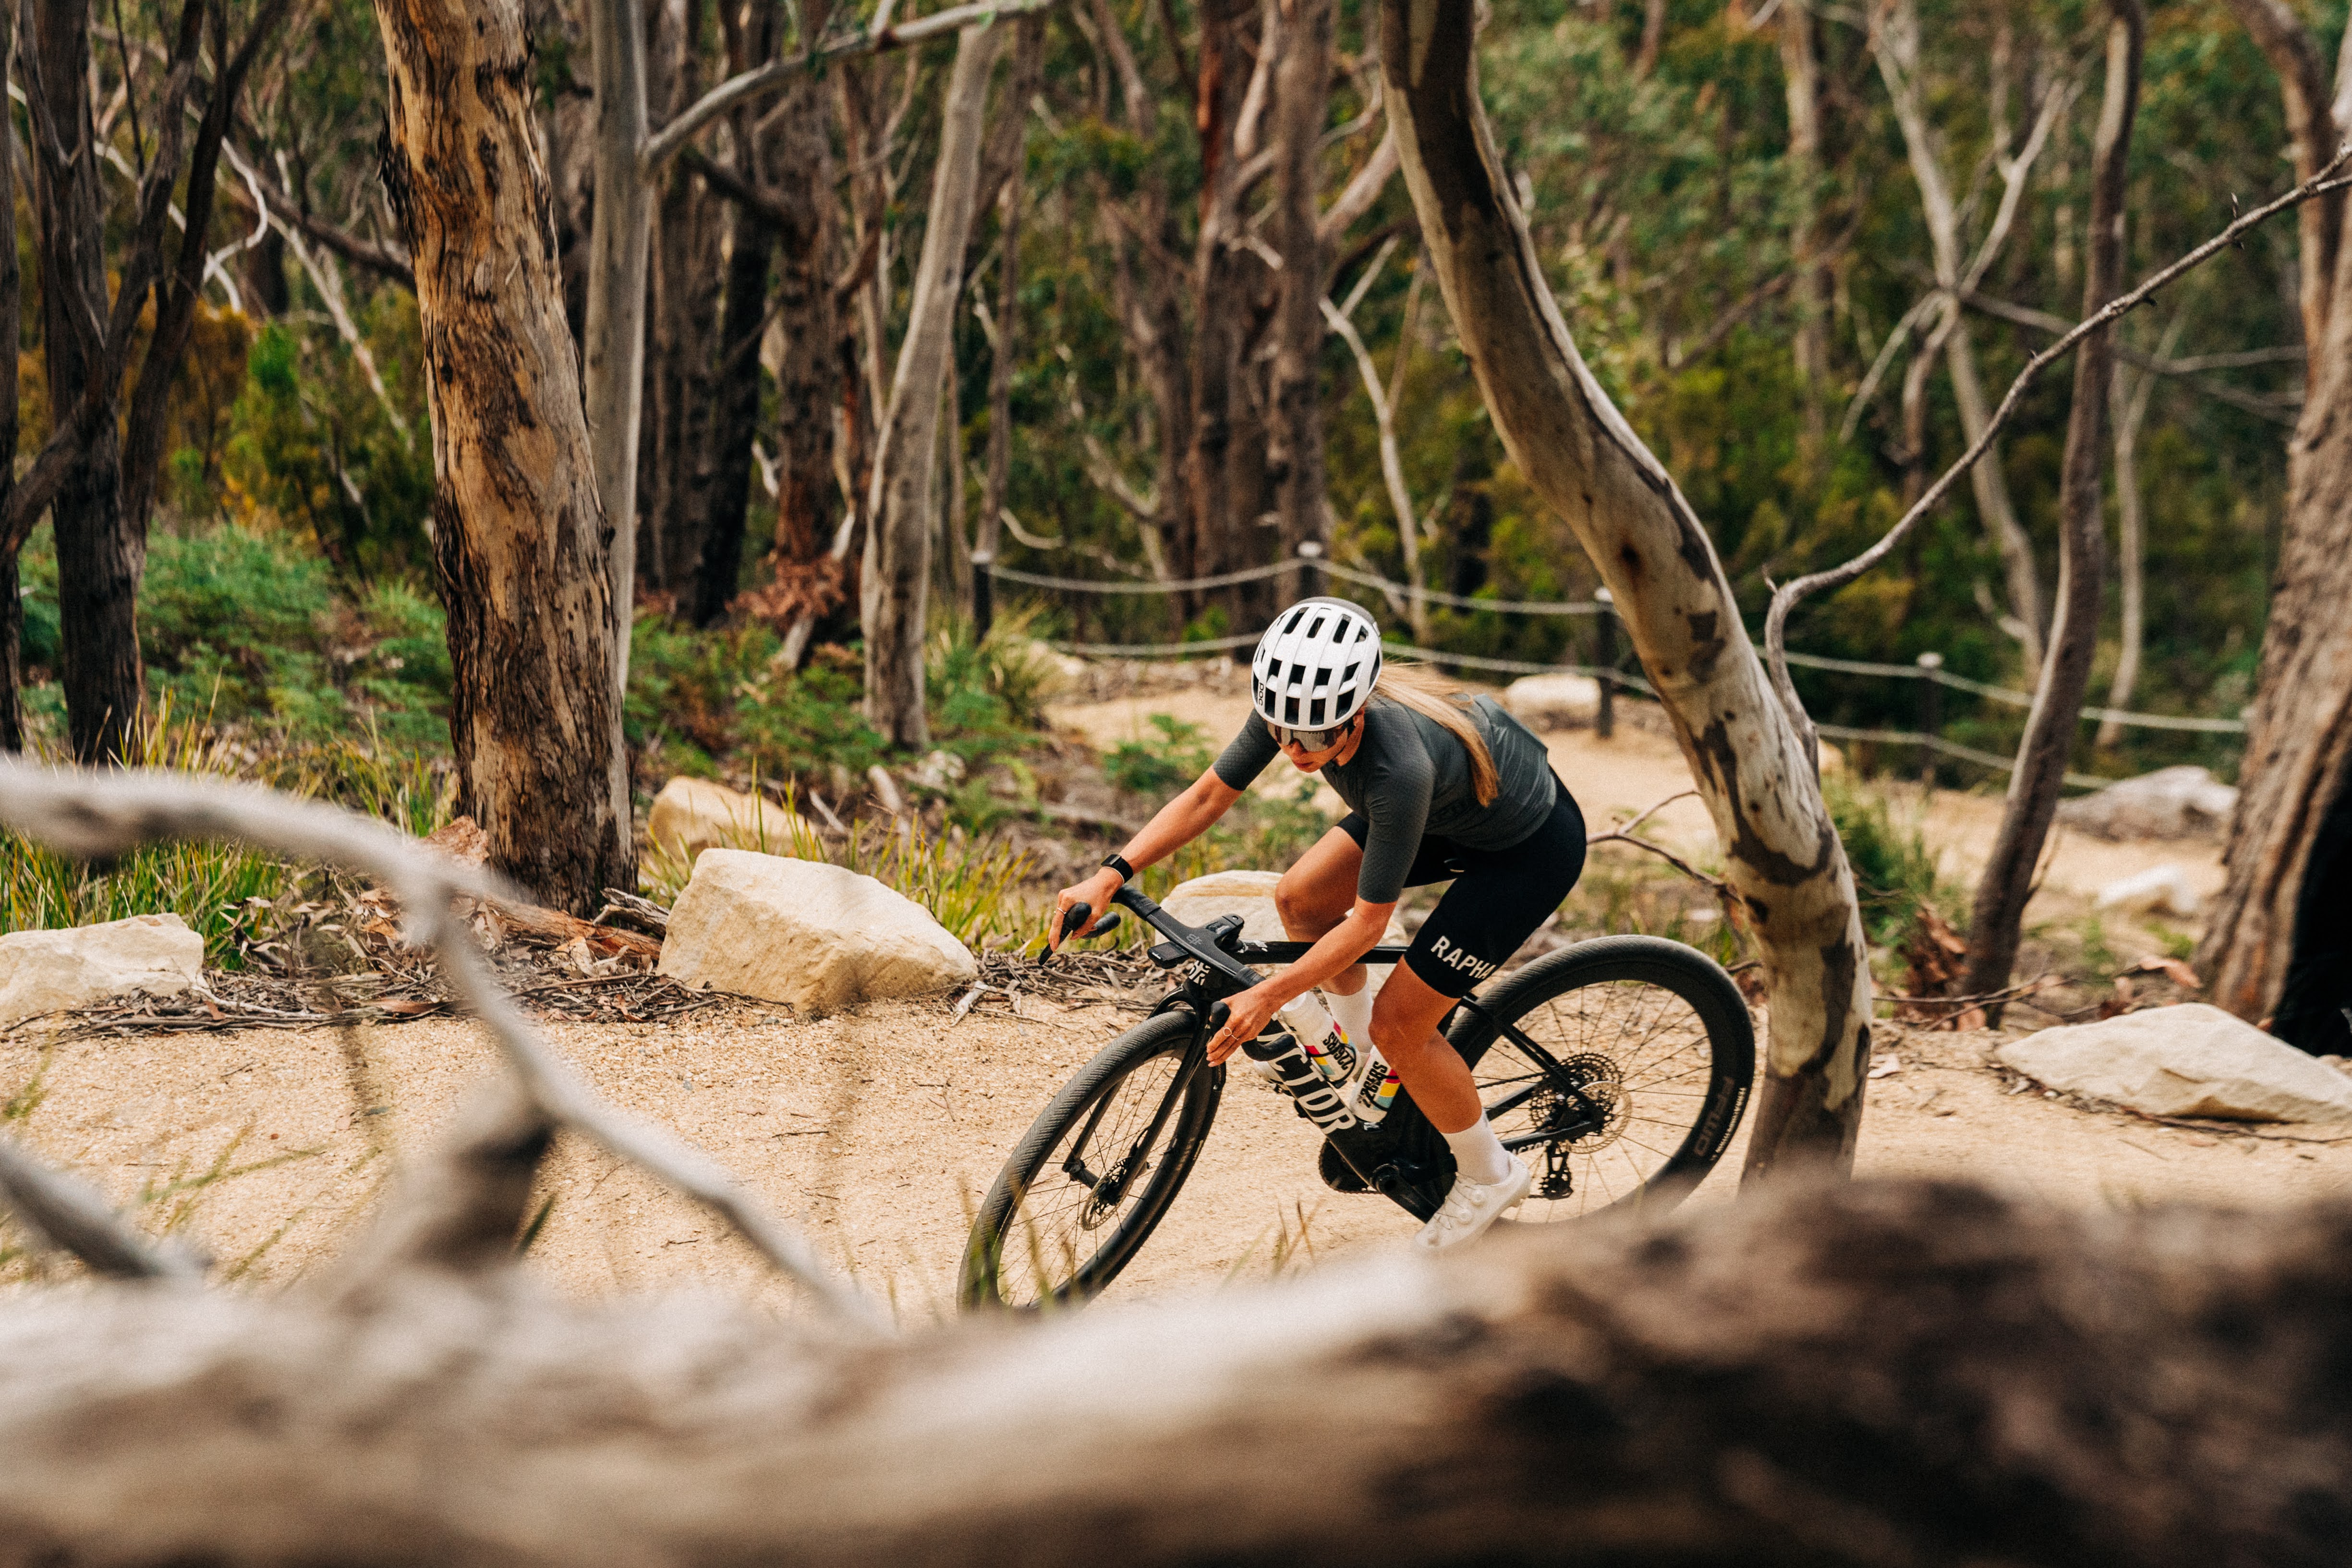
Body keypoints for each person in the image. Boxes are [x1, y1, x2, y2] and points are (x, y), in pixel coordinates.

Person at [1049, 597, 1587, 1252]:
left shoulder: (1398, 768)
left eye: (1316, 738)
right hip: (1450, 819)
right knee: (1300, 899)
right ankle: (1363, 1067)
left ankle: (1488, 1174)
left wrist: (1268, 994)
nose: (1296, 750)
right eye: (1281, 733)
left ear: (1356, 712)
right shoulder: (1291, 709)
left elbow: (1365, 925)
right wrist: (1111, 873)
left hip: (1524, 854)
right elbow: (1206, 795)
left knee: (1402, 1024)